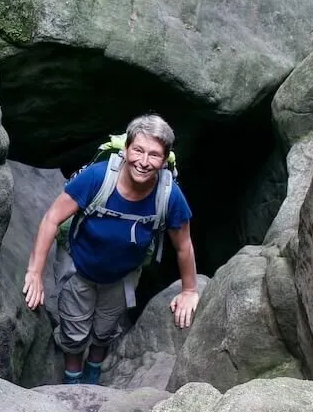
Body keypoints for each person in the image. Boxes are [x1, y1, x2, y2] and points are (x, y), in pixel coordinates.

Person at [22, 114, 199, 385]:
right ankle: (73, 380)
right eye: (138, 150)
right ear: (126, 149)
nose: (143, 161)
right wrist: (35, 273)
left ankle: (93, 373)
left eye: (153, 155)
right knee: (74, 330)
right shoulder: (98, 178)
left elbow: (183, 245)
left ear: (164, 161)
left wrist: (189, 291)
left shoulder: (169, 195)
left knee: (104, 330)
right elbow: (52, 219)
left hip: (122, 277)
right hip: (80, 269)